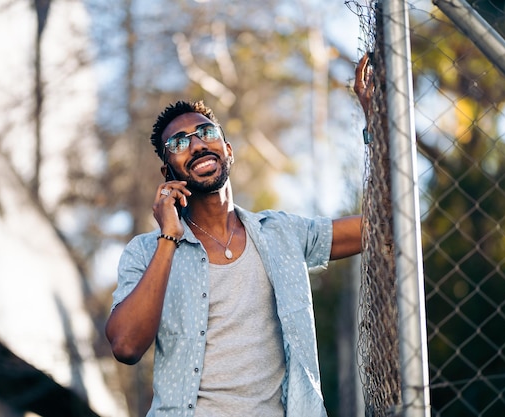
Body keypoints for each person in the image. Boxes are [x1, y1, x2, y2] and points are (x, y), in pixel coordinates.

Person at [106, 60, 372, 416]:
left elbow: (384, 228)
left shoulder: (283, 234)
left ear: (228, 150)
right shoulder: (146, 252)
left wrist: (376, 121)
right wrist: (169, 238)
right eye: (179, 142)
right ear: (167, 171)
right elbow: (125, 346)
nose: (197, 145)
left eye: (206, 133)